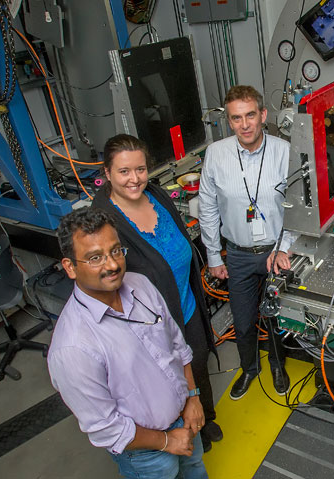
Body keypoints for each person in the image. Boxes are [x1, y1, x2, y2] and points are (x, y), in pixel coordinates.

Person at [48, 208, 208, 479]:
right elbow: (106, 428)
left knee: (196, 472)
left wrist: (192, 397)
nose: (112, 265)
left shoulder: (140, 284)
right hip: (146, 454)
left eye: (116, 251)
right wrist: (167, 441)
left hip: (187, 418)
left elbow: (176, 343)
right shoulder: (72, 349)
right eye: (95, 258)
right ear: (70, 267)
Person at [92, 134, 221, 451]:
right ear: (107, 173)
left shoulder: (157, 195)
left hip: (186, 307)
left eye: (140, 169)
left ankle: (205, 418)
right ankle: (180, 432)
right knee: (166, 382)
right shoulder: (103, 220)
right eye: (124, 172)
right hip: (150, 326)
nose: (134, 179)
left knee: (197, 364)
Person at [197, 85, 297, 400]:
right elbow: (208, 208)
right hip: (238, 255)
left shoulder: (284, 151)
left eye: (250, 115)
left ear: (263, 115)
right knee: (242, 323)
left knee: (276, 316)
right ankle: (249, 368)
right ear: (229, 121)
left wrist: (285, 247)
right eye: (236, 118)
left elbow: (299, 207)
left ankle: (278, 366)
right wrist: (214, 256)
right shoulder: (216, 154)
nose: (245, 125)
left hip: (274, 252)